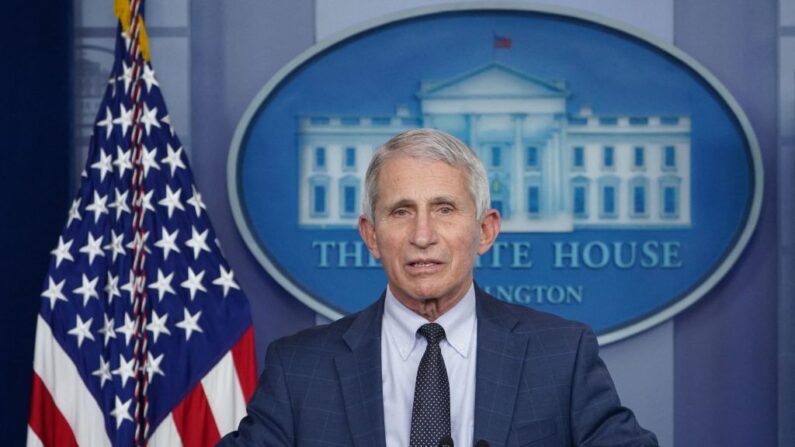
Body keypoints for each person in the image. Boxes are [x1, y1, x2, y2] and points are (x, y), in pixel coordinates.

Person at [218, 128, 658, 446]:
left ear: (485, 230)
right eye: (401, 211)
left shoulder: (561, 355)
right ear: (371, 236)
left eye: (444, 209)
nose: (422, 235)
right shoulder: (299, 369)